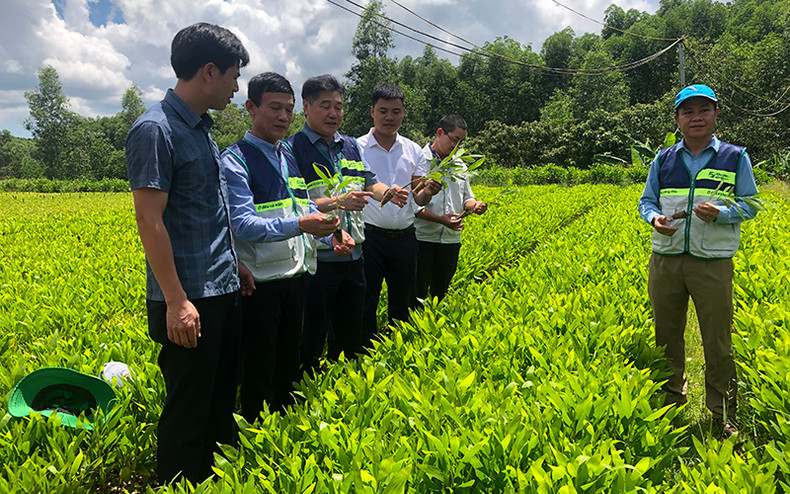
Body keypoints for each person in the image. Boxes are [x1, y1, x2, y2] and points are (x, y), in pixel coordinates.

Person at [125, 23, 251, 483]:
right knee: (188, 409)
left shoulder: (201, 129)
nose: (237, 88)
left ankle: (213, 481)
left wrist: (232, 265)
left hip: (220, 289)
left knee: (220, 400)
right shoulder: (155, 130)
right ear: (209, 71)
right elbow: (149, 221)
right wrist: (177, 302)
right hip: (187, 300)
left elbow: (204, 212)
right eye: (234, 77)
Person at [221, 73, 353, 422]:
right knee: (259, 371)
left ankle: (283, 437)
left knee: (288, 367)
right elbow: (243, 224)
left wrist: (330, 235)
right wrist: (302, 224)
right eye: (274, 108)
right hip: (260, 284)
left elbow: (303, 208)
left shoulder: (287, 155)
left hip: (297, 276)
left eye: (288, 110)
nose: (283, 117)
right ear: (251, 108)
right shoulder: (236, 160)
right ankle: (255, 440)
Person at [638, 84, 759, 438]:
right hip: (666, 260)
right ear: (677, 119)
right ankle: (670, 402)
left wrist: (721, 212)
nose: (696, 117)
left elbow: (750, 203)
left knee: (717, 339)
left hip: (712, 262)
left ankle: (723, 413)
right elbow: (647, 202)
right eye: (688, 111)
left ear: (716, 114)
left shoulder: (735, 157)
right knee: (666, 336)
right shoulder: (663, 159)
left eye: (703, 110)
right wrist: (653, 219)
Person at [285, 75, 408, 371]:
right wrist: (340, 202)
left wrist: (387, 193)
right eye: (325, 106)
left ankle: (345, 388)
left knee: (351, 334)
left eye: (338, 106)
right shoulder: (292, 149)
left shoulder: (350, 146)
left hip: (354, 256)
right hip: (317, 260)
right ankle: (307, 391)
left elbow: (369, 183)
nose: (333, 113)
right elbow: (295, 206)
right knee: (311, 335)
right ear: (306, 107)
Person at [357, 83, 441, 346]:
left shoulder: (413, 149)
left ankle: (398, 350)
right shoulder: (356, 148)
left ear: (404, 113)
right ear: (372, 111)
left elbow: (418, 196)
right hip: (370, 237)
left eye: (396, 111)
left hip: (405, 237)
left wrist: (429, 191)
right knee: (367, 299)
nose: (389, 117)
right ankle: (365, 351)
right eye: (383, 111)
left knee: (403, 299)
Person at [414, 114, 487, 303]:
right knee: (416, 293)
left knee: (440, 292)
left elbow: (466, 198)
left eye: (461, 143)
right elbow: (412, 205)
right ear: (440, 133)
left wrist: (475, 205)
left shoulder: (460, 165)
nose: (457, 147)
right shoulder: (418, 160)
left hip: (450, 240)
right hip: (422, 239)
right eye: (454, 140)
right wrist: (441, 219)